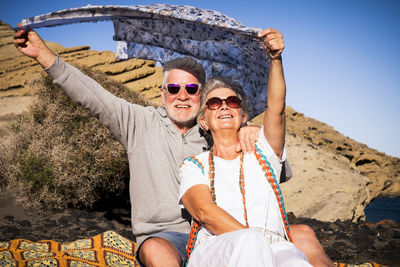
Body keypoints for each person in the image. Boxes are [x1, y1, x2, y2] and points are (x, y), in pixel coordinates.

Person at [14, 25, 333, 267]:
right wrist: (45, 56)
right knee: (156, 252)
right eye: (174, 87)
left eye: (192, 88)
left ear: (200, 98)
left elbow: (270, 155)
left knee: (302, 233)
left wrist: (247, 129)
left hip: (215, 233)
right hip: (167, 234)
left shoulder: (218, 131)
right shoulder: (137, 122)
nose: (182, 95)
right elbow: (91, 94)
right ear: (163, 93)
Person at [179, 29, 331, 266]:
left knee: (295, 262)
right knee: (251, 243)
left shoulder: (264, 152)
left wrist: (275, 59)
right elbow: (204, 212)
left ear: (243, 116)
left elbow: (276, 108)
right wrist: (259, 243)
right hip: (217, 248)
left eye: (232, 102)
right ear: (204, 121)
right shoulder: (194, 165)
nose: (223, 107)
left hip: (273, 244)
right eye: (214, 103)